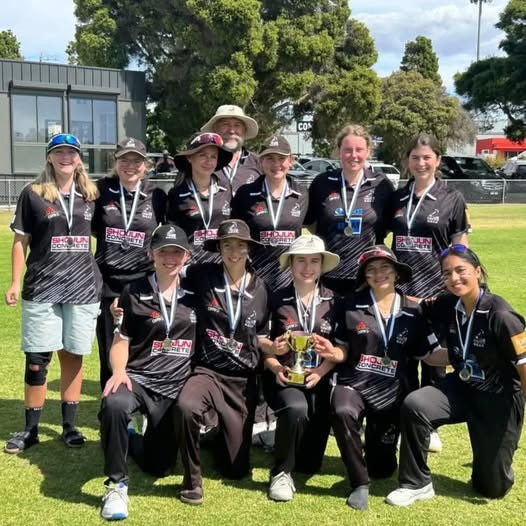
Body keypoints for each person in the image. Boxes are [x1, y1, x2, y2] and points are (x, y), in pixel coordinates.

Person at [385, 245, 526, 507]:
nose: (454, 278)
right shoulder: (447, 303)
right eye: (447, 273)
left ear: (477, 272)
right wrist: (383, 292)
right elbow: (417, 307)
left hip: (498, 399)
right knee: (416, 404)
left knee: (491, 488)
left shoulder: (501, 315)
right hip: (462, 387)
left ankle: (497, 459)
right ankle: (416, 484)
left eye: (460, 271)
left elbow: (524, 366)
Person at [4, 133, 101, 454]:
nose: (65, 157)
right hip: (42, 287)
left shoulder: (90, 194)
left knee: (73, 355)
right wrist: (15, 282)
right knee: (37, 360)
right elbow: (21, 242)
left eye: (71, 152)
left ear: (78, 158)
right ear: (49, 156)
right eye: (59, 151)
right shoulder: (32, 194)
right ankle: (31, 429)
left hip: (82, 288)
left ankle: (69, 426)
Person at [99, 225, 196, 520]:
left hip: (176, 385)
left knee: (160, 466)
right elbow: (121, 339)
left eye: (176, 252)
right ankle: (116, 485)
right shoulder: (134, 290)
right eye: (163, 251)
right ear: (151, 254)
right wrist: (117, 370)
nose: (170, 258)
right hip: (139, 378)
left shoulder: (198, 292)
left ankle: (131, 437)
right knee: (114, 402)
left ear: (186, 257)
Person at [330, 245, 437, 510]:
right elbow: (342, 349)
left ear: (397, 273)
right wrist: (331, 351)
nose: (379, 274)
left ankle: (374, 454)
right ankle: (359, 482)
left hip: (394, 392)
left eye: (385, 268)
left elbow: (429, 355)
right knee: (342, 409)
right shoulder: (349, 304)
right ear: (364, 276)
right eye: (371, 270)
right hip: (355, 383)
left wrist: (461, 355)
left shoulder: (415, 309)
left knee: (383, 468)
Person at [175, 219, 271, 505]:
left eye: (240, 245)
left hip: (242, 380)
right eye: (227, 244)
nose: (233, 251)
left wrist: (274, 349)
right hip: (208, 371)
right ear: (218, 247)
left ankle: (217, 432)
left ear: (249, 249)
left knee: (235, 470)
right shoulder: (202, 274)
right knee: (186, 406)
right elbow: (168, 272)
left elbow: (263, 335)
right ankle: (192, 481)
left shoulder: (261, 288)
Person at [389, 132, 470, 452]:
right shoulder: (396, 197)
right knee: (403, 360)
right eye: (414, 157)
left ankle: (431, 425)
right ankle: (402, 418)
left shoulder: (452, 198)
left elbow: (461, 248)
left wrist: (454, 289)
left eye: (426, 157)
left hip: (437, 295)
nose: (420, 163)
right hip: (403, 296)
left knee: (435, 364)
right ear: (406, 160)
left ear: (437, 159)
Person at [263, 234, 340, 502]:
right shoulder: (276, 299)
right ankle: (281, 473)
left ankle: (277, 438)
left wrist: (321, 370)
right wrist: (275, 365)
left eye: (314, 261)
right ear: (291, 264)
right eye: (301, 261)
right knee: (296, 408)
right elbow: (264, 347)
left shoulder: (335, 300)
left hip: (320, 380)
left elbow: (341, 349)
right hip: (284, 378)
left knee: (309, 464)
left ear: (322, 265)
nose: (307, 268)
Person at [93, 137, 166, 390]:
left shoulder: (157, 196)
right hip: (107, 284)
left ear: (145, 165)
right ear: (116, 162)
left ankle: (137, 414)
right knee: (108, 351)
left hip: (142, 285)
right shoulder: (101, 190)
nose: (130, 165)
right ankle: (110, 417)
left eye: (137, 160)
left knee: (140, 348)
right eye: (125, 159)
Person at [305, 124, 394, 295]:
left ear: (368, 152)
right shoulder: (322, 183)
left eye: (359, 150)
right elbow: (310, 223)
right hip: (329, 275)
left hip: (369, 276)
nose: (353, 155)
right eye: (348, 150)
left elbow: (390, 225)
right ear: (339, 151)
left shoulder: (381, 185)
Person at [231, 135, 308, 291]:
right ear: (261, 161)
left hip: (291, 280)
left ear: (291, 160)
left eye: (281, 158)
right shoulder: (245, 194)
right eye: (270, 158)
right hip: (254, 279)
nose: (276, 164)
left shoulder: (302, 194)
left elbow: (313, 226)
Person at [166, 132, 233, 264]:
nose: (209, 161)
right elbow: (172, 233)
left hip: (222, 265)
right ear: (190, 158)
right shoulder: (177, 194)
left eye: (213, 156)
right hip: (190, 267)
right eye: (202, 155)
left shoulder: (226, 189)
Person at [200, 104, 261, 194]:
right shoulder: (200, 163)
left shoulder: (259, 163)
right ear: (215, 129)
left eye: (237, 125)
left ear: (244, 130)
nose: (231, 131)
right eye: (225, 124)